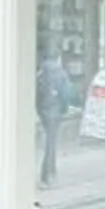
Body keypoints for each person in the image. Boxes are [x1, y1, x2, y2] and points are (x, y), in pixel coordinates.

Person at [34, 49, 71, 186]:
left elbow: (36, 95)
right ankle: (47, 174)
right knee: (51, 143)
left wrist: (39, 110)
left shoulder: (41, 73)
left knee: (51, 141)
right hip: (55, 111)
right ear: (58, 57)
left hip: (43, 111)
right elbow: (66, 94)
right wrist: (64, 109)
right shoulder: (61, 73)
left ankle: (52, 171)